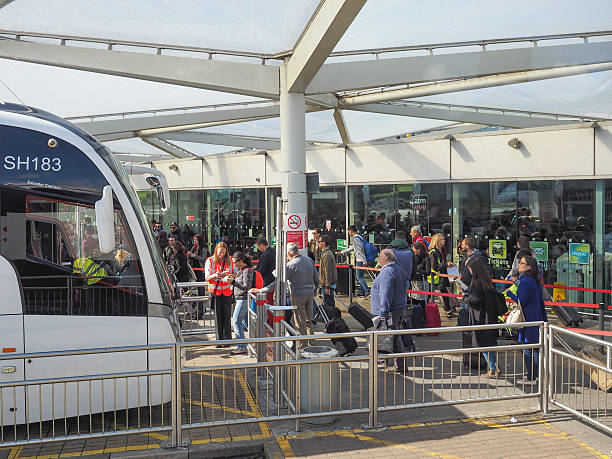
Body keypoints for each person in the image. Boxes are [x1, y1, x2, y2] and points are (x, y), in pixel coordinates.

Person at [252, 243, 318, 338]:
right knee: (308, 321)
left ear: (289, 253)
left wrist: (261, 290)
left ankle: (302, 347)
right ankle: (311, 342)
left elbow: (278, 283)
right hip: (310, 293)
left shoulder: (291, 265)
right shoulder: (309, 260)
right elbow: (316, 278)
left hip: (298, 295)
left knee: (300, 323)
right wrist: (315, 290)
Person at [506, 255, 548, 384]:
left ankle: (531, 377)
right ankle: (537, 375)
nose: (519, 265)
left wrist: (509, 293)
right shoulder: (534, 280)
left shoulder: (525, 281)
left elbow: (521, 301)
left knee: (528, 349)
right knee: (535, 348)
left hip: (527, 318)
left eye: (522, 263)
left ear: (529, 266)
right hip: (536, 316)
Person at [370, 249, 408, 371]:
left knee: (394, 338)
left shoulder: (387, 272)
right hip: (398, 308)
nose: (378, 260)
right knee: (390, 337)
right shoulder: (398, 269)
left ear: (385, 259)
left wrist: (383, 313)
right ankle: (387, 361)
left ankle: (400, 365)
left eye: (380, 257)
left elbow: (385, 293)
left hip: (390, 311)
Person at [463, 258, 500, 378]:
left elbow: (476, 301)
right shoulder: (486, 280)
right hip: (490, 316)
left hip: (481, 318)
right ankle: (494, 367)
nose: (469, 271)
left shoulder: (477, 282)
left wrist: (465, 298)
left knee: (483, 344)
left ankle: (493, 369)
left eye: (469, 269)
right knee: (489, 344)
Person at [205, 242, 236, 347]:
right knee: (218, 317)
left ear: (226, 251)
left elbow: (236, 273)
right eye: (219, 252)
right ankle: (219, 341)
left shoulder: (231, 260)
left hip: (227, 292)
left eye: (223, 252)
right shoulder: (209, 260)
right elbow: (207, 277)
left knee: (227, 317)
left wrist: (229, 275)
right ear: (216, 251)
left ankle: (227, 341)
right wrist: (215, 275)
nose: (221, 254)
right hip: (215, 293)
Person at [229, 252, 254, 355]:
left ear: (241, 261)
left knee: (236, 321)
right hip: (241, 299)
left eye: (235, 262)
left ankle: (241, 346)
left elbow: (246, 287)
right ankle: (257, 341)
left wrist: (233, 282)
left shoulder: (246, 271)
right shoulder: (241, 271)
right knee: (248, 323)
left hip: (243, 299)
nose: (234, 264)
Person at [428, 233, 451, 313]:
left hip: (442, 276)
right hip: (435, 277)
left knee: (444, 292)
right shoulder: (433, 252)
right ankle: (447, 309)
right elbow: (434, 266)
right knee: (435, 293)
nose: (444, 241)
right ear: (438, 241)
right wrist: (445, 264)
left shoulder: (442, 250)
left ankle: (448, 308)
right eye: (442, 239)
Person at [347, 225, 370, 297]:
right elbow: (353, 248)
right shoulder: (360, 237)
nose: (348, 233)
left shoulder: (356, 239)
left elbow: (360, 251)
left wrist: (364, 261)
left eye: (348, 232)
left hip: (360, 260)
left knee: (358, 277)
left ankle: (367, 290)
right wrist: (342, 252)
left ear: (351, 231)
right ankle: (362, 291)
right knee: (361, 276)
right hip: (361, 260)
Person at [318, 234, 338, 310]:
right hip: (327, 284)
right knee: (329, 305)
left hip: (327, 285)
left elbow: (328, 271)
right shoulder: (326, 253)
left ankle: (331, 320)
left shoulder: (327, 255)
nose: (318, 243)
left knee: (329, 307)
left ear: (323, 243)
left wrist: (327, 286)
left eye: (319, 241)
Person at [255, 237, 276, 305]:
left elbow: (262, 270)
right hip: (273, 279)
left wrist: (255, 270)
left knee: (267, 301)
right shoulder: (273, 252)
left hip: (267, 281)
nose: (258, 249)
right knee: (270, 300)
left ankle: (270, 316)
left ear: (261, 245)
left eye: (258, 247)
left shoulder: (265, 255)